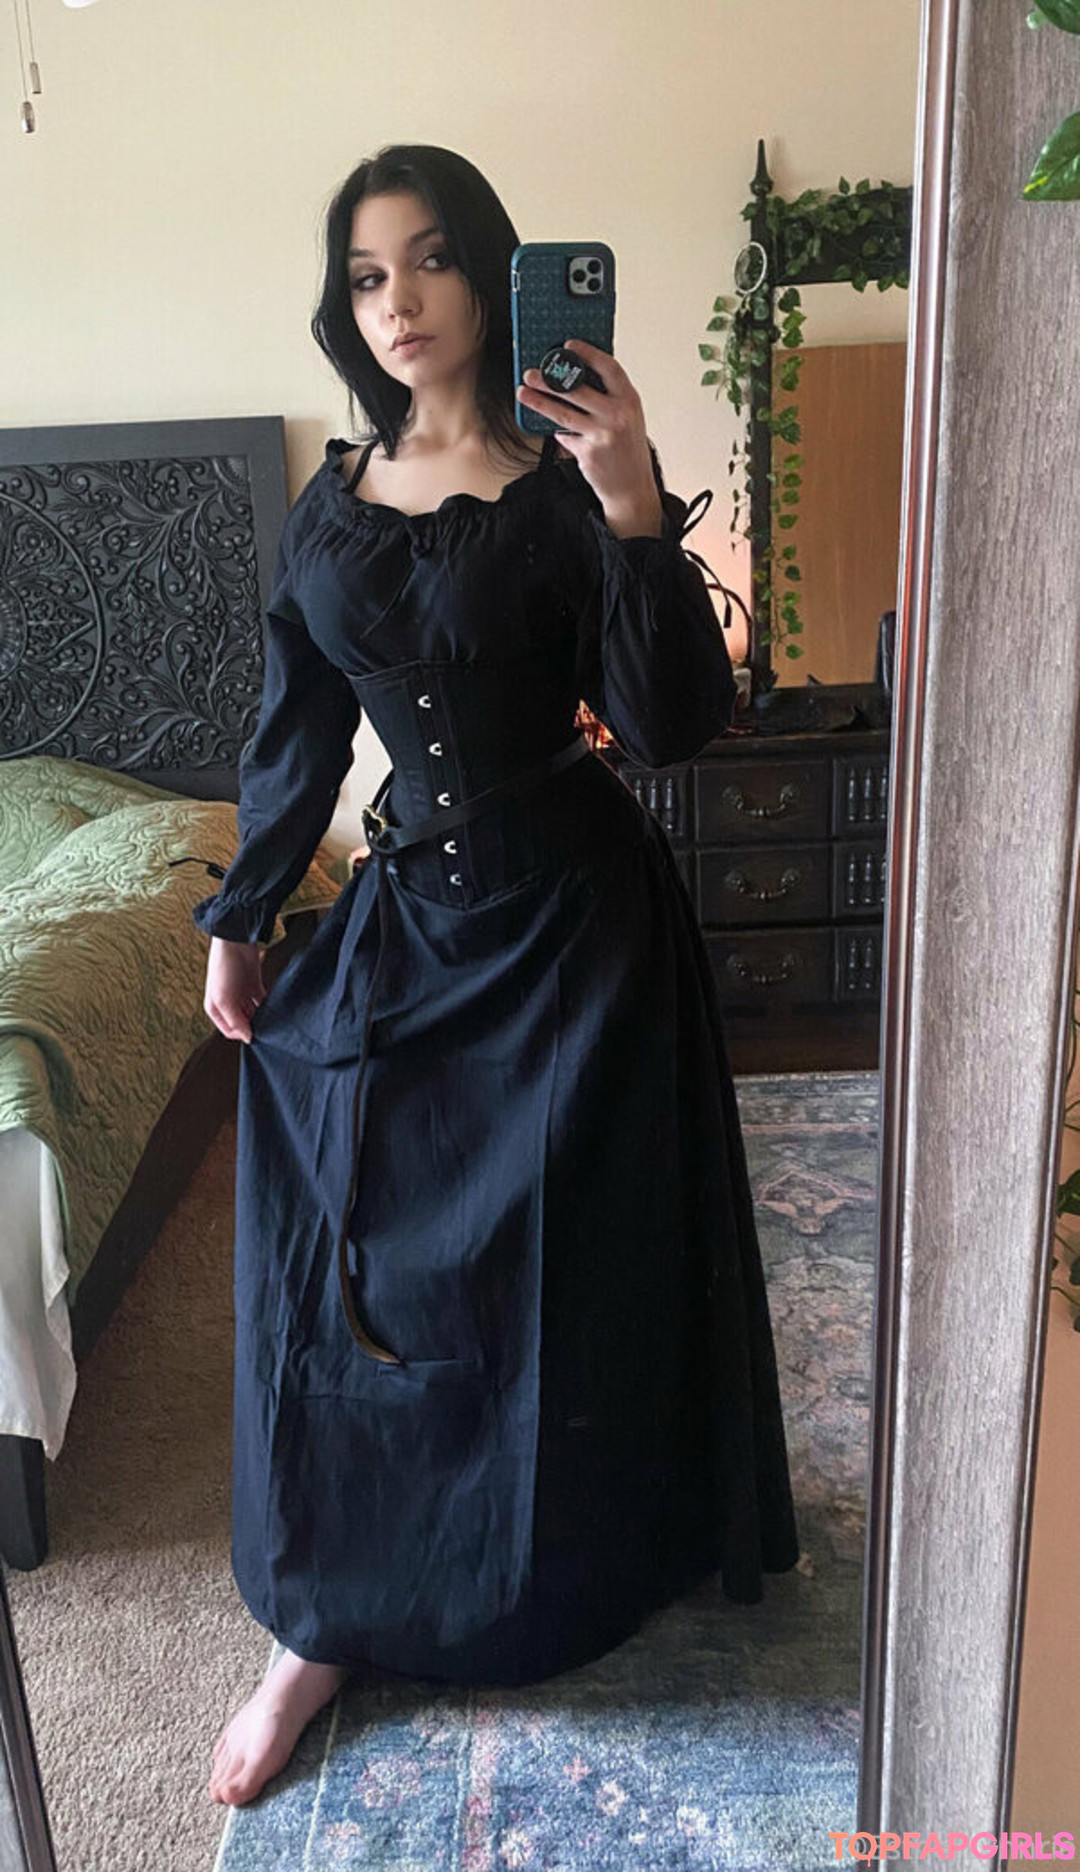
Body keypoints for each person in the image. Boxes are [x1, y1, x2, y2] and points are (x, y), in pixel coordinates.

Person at [191, 143, 799, 1809]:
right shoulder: (331, 504)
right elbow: (296, 732)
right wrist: (245, 911)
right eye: (367, 274)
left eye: (432, 259)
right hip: (412, 917)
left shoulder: (561, 486)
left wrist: (632, 501)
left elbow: (670, 726)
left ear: (494, 271)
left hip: (575, 932)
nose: (398, 300)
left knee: (556, 1274)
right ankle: (321, 1621)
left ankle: (550, 1568)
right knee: (348, 1242)